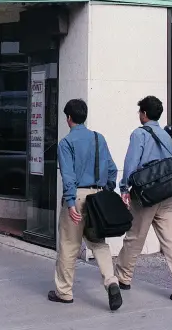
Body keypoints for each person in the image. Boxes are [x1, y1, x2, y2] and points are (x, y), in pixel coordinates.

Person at [116, 95, 172, 302]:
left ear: (144, 114)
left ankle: (123, 277)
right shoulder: (165, 135)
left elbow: (132, 162)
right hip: (168, 193)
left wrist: (124, 187)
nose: (139, 115)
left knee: (135, 236)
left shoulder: (139, 134)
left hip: (146, 194)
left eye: (140, 111)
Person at [48, 98, 122, 311]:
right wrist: (104, 191)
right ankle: (111, 281)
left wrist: (70, 202)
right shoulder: (99, 139)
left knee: (69, 245)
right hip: (97, 197)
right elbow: (112, 169)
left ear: (68, 118)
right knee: (98, 242)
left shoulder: (66, 143)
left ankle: (64, 292)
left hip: (77, 197)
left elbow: (68, 176)